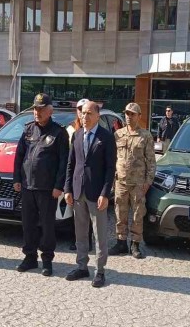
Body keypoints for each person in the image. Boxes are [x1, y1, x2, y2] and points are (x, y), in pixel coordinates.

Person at [13, 93, 69, 276]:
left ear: (50, 111)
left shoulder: (59, 132)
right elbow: (19, 155)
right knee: (28, 224)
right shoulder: (28, 129)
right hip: (27, 186)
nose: (37, 112)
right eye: (35, 109)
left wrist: (59, 186)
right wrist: (16, 179)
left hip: (47, 189)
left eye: (41, 109)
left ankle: (47, 260)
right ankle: (30, 257)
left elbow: (64, 162)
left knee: (47, 226)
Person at [64, 101, 116, 288]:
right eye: (82, 113)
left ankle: (99, 271)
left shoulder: (106, 137)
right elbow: (71, 164)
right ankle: (81, 266)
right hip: (78, 191)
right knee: (80, 232)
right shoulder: (77, 135)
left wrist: (105, 193)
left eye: (88, 113)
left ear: (97, 116)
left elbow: (110, 168)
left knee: (99, 234)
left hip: (97, 194)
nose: (84, 117)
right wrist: (68, 189)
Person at [109, 102, 156, 259]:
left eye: (132, 114)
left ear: (139, 116)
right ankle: (121, 242)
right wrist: (112, 179)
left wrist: (148, 182)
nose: (128, 117)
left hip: (138, 184)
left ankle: (135, 244)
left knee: (137, 214)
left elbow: (151, 162)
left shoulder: (146, 136)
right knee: (120, 214)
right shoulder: (118, 134)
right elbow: (113, 159)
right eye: (127, 114)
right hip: (121, 182)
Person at [65, 98, 93, 252]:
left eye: (84, 109)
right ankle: (75, 239)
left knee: (89, 211)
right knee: (74, 210)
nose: (82, 112)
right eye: (79, 109)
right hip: (75, 174)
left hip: (90, 176)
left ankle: (88, 240)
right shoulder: (71, 129)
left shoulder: (96, 127)